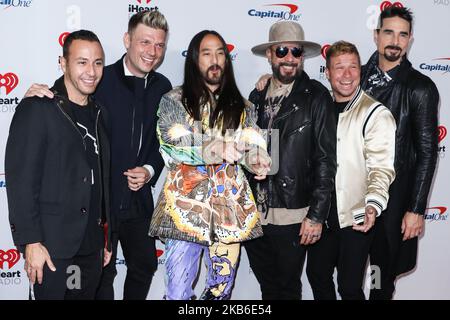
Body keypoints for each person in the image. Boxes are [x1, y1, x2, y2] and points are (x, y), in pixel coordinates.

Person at [24, 11, 172, 300]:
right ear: (127, 40)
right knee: (99, 276)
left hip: (138, 200)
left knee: (144, 264)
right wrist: (41, 90)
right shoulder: (101, 78)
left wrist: (150, 170)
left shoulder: (163, 87)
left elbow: (162, 141)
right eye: (145, 42)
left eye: (159, 45)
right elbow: (69, 92)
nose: (152, 52)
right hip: (98, 203)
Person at [148, 30, 271, 300]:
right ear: (194, 60)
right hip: (183, 214)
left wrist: (257, 160)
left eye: (220, 53)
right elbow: (171, 144)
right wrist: (214, 148)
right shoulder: (174, 100)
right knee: (178, 293)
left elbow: (251, 143)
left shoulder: (244, 107)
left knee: (220, 292)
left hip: (229, 212)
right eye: (207, 53)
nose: (215, 59)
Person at [6, 30, 111, 300]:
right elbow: (21, 182)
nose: (91, 71)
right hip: (53, 249)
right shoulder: (39, 108)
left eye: (97, 63)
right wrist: (31, 241)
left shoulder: (100, 113)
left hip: (92, 247)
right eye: (82, 62)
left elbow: (101, 179)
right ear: (63, 63)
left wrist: (107, 238)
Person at [244, 21, 337, 300]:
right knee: (268, 287)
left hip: (293, 212)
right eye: (282, 50)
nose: (289, 58)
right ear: (270, 55)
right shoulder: (256, 96)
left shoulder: (317, 97)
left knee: (287, 288)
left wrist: (317, 215)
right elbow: (247, 145)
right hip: (255, 213)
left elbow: (326, 159)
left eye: (296, 52)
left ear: (302, 57)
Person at [305, 41, 396, 300]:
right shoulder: (319, 106)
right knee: (317, 276)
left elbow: (381, 169)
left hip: (356, 218)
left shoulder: (375, 114)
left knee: (349, 287)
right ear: (327, 73)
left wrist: (372, 206)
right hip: (322, 214)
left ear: (360, 70)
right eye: (339, 68)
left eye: (353, 67)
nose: (346, 75)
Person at [359, 6, 439, 300]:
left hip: (393, 201)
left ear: (410, 40)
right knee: (346, 275)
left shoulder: (421, 88)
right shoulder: (355, 79)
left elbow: (428, 152)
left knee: (381, 277)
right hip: (353, 195)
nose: (395, 40)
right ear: (376, 35)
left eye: (402, 34)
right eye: (388, 32)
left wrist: (416, 208)